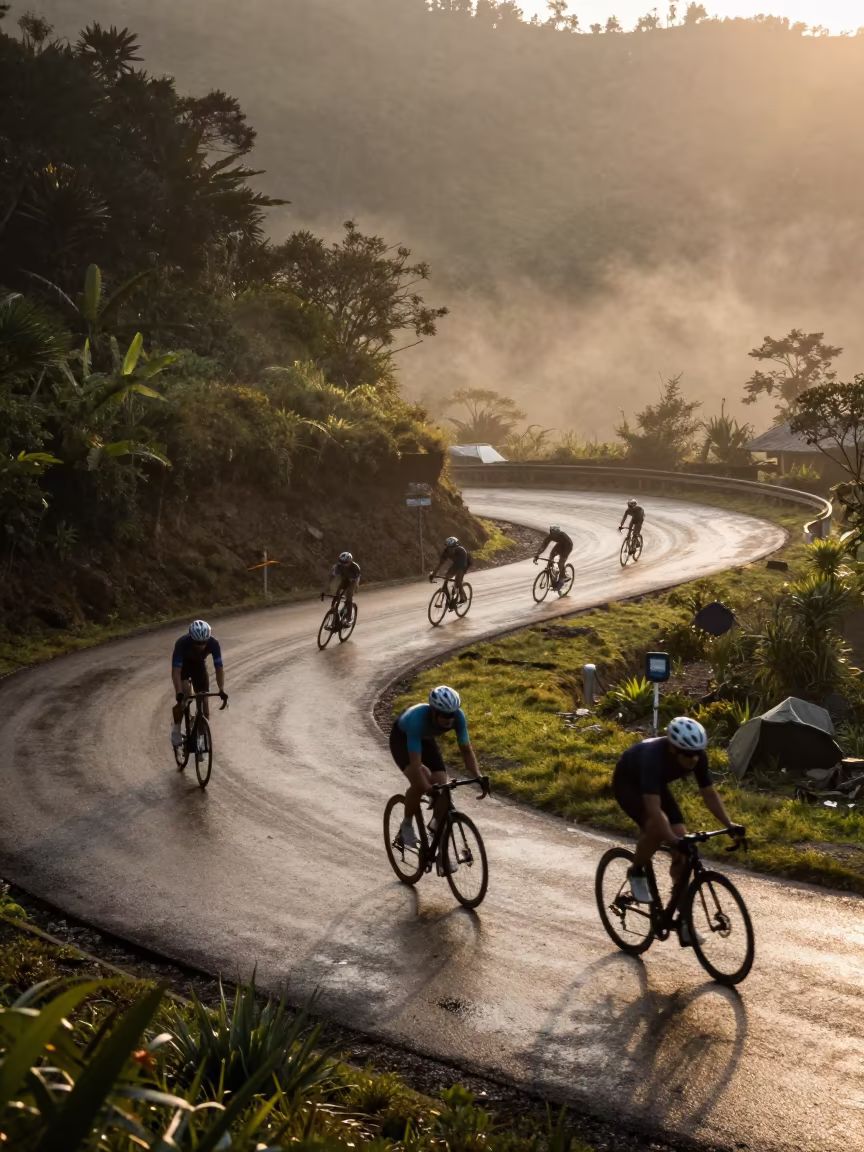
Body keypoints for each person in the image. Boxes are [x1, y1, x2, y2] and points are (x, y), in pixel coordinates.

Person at [612, 717, 744, 946]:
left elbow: (709, 794)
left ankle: (684, 922)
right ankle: (636, 870)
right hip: (628, 782)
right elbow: (654, 809)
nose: (693, 759)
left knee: (684, 851)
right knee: (656, 828)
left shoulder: (697, 756)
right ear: (673, 748)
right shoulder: (653, 758)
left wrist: (729, 824)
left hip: (656, 785)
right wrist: (671, 839)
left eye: (696, 753)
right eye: (687, 753)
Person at [389, 685, 486, 869]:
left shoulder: (458, 717)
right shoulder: (417, 720)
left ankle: (441, 850)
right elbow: (416, 766)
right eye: (444, 715)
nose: (449, 719)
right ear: (433, 712)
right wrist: (428, 789)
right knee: (421, 781)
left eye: (452, 714)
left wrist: (478, 776)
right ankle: (407, 827)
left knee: (443, 784)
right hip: (403, 738)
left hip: (426, 739)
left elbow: (466, 751)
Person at [170, 620, 227, 747]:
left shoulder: (213, 643)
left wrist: (221, 688)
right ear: (191, 638)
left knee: (205, 709)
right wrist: (178, 692)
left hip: (199, 668)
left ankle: (200, 739)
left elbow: (219, 668)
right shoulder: (182, 643)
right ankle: (176, 729)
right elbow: (176, 672)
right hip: (183, 668)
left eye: (203, 642)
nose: (200, 646)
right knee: (184, 698)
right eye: (197, 643)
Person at [429, 536, 470, 601]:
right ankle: (450, 596)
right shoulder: (446, 552)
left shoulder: (461, 551)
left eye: (452, 548)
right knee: (447, 576)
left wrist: (457, 577)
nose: (450, 550)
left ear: (456, 547)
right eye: (448, 548)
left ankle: (463, 597)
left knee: (458, 582)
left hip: (465, 562)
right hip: (457, 563)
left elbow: (461, 567)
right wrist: (433, 574)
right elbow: (440, 564)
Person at [534, 524, 573, 591]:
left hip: (568, 545)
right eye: (551, 533)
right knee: (551, 556)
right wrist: (537, 555)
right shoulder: (550, 537)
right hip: (560, 545)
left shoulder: (562, 535)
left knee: (561, 562)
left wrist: (563, 556)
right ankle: (554, 575)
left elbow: (568, 544)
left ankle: (564, 576)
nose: (552, 535)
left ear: (557, 533)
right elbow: (543, 546)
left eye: (554, 533)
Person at [324, 551, 360, 620]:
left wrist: (353, 589)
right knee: (338, 592)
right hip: (345, 579)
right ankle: (334, 608)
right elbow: (331, 577)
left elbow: (356, 580)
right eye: (341, 563)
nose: (343, 565)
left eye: (345, 563)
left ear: (350, 562)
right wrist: (327, 588)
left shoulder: (355, 568)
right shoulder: (338, 566)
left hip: (353, 581)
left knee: (349, 595)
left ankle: (348, 617)